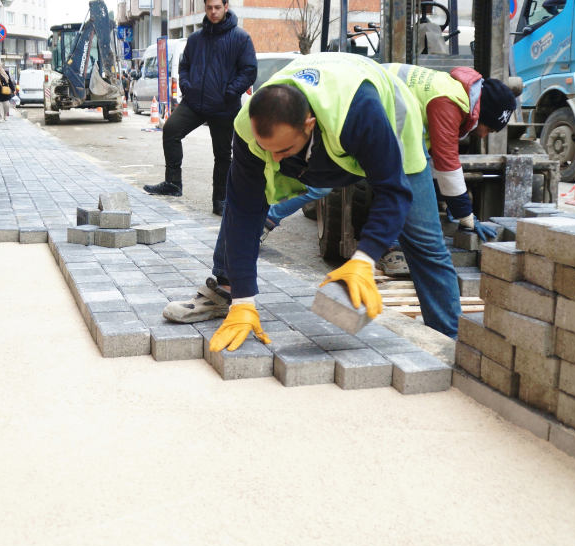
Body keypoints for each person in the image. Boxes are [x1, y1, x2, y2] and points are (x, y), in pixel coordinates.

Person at [163, 52, 473, 348]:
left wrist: (364, 259)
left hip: (388, 125)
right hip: (322, 129)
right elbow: (242, 211)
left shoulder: (360, 112)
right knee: (243, 201)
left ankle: (448, 340)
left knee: (426, 243)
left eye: (282, 150)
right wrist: (244, 299)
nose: (273, 158)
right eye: (267, 149)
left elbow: (393, 192)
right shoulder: (248, 128)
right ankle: (227, 291)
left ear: (309, 124)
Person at [376, 63, 517, 274]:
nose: (484, 135)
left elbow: (432, 152)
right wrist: (465, 213)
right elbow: (446, 159)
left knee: (408, 178)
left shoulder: (456, 93)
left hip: (384, 103)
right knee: (400, 185)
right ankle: (387, 250)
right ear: (483, 115)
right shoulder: (450, 101)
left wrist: (449, 197)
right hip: (375, 98)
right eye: (488, 129)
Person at [144, 0, 257, 216]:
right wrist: (188, 86)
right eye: (209, 7)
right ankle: (173, 184)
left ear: (226, 7)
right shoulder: (196, 39)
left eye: (217, 7)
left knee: (223, 154)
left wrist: (229, 91)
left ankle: (220, 200)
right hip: (195, 102)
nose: (213, 12)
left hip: (224, 105)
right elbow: (184, 66)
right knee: (171, 130)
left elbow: (249, 71)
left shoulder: (240, 38)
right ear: (204, 9)